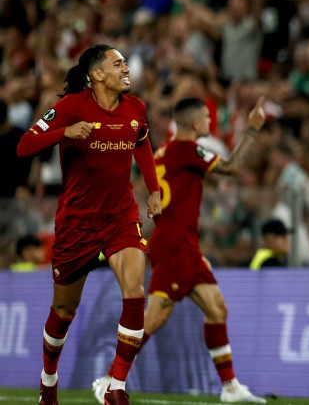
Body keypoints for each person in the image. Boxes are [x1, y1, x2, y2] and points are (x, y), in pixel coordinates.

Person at [92, 97, 268, 403]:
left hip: (181, 244)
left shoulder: (163, 152)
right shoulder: (187, 150)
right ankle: (110, 379)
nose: (210, 124)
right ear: (195, 123)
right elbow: (232, 167)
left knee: (216, 309)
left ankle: (230, 388)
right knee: (154, 319)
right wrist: (251, 130)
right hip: (175, 247)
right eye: (207, 119)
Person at [16, 44, 162, 405]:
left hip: (121, 217)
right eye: (118, 63)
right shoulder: (71, 107)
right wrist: (63, 133)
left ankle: (116, 386)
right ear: (97, 74)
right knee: (64, 311)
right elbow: (24, 146)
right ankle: (48, 380)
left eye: (126, 62)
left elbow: (141, 143)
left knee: (135, 292)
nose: (126, 68)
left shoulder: (136, 109)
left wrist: (154, 188)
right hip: (77, 224)